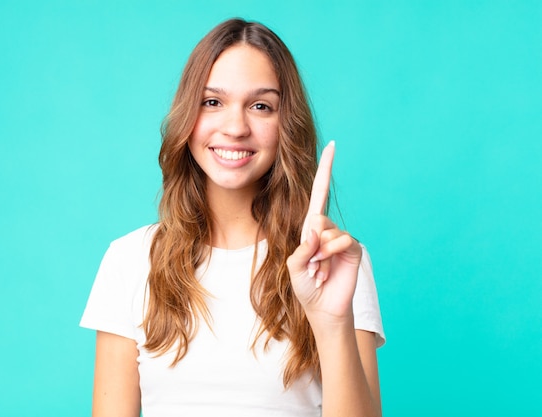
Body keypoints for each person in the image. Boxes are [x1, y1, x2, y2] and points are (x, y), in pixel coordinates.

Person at [80, 18, 385, 417]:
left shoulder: (334, 262)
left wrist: (332, 323)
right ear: (187, 115)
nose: (236, 127)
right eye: (213, 102)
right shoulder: (129, 260)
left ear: (285, 125)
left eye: (261, 106)